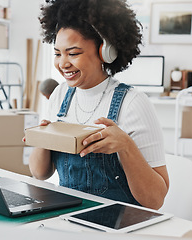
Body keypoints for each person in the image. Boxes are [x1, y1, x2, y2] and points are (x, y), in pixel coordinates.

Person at [28, 0, 169, 210]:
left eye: (73, 53)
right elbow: (40, 173)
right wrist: (43, 137)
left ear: (105, 51)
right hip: (68, 215)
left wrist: (126, 146)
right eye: (57, 53)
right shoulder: (59, 95)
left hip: (119, 223)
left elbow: (155, 201)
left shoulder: (133, 103)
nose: (63, 63)